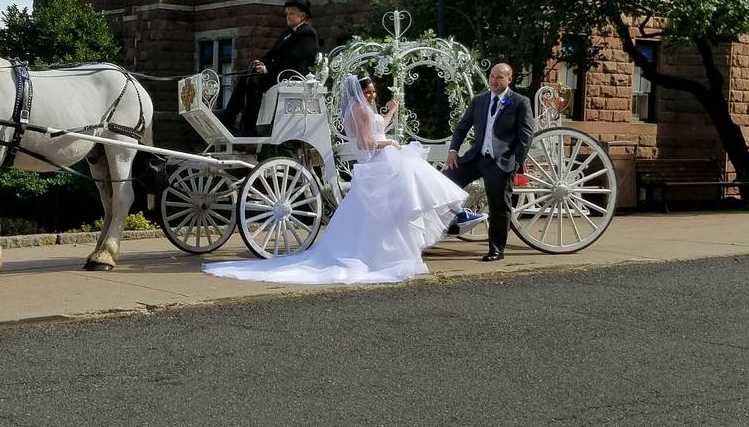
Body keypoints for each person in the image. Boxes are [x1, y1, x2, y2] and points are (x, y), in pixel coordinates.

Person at [203, 75, 468, 284]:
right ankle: (455, 210)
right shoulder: (361, 111)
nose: (372, 95)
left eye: (374, 91)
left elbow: (374, 129)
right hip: (379, 160)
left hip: (376, 162)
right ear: (359, 93)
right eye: (368, 92)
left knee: (404, 187)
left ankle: (451, 213)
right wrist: (392, 145)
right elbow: (367, 142)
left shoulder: (358, 110)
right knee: (415, 171)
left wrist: (390, 113)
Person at [444, 62, 535, 262]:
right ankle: (452, 219)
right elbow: (462, 128)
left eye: (500, 77)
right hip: (476, 157)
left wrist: (514, 163)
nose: (494, 81)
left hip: (500, 162)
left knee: (499, 206)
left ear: (509, 79)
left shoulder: (520, 102)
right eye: (492, 76)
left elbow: (526, 137)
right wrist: (453, 150)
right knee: (444, 181)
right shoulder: (480, 100)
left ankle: (496, 249)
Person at [215, 0, 320, 135]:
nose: (288, 16)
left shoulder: (306, 33)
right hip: (278, 71)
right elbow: (272, 53)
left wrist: (267, 69)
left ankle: (248, 127)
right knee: (249, 73)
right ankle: (229, 114)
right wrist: (262, 63)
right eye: (287, 14)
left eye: (292, 13)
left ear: (302, 15)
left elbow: (292, 58)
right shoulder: (287, 33)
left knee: (254, 81)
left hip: (291, 75)